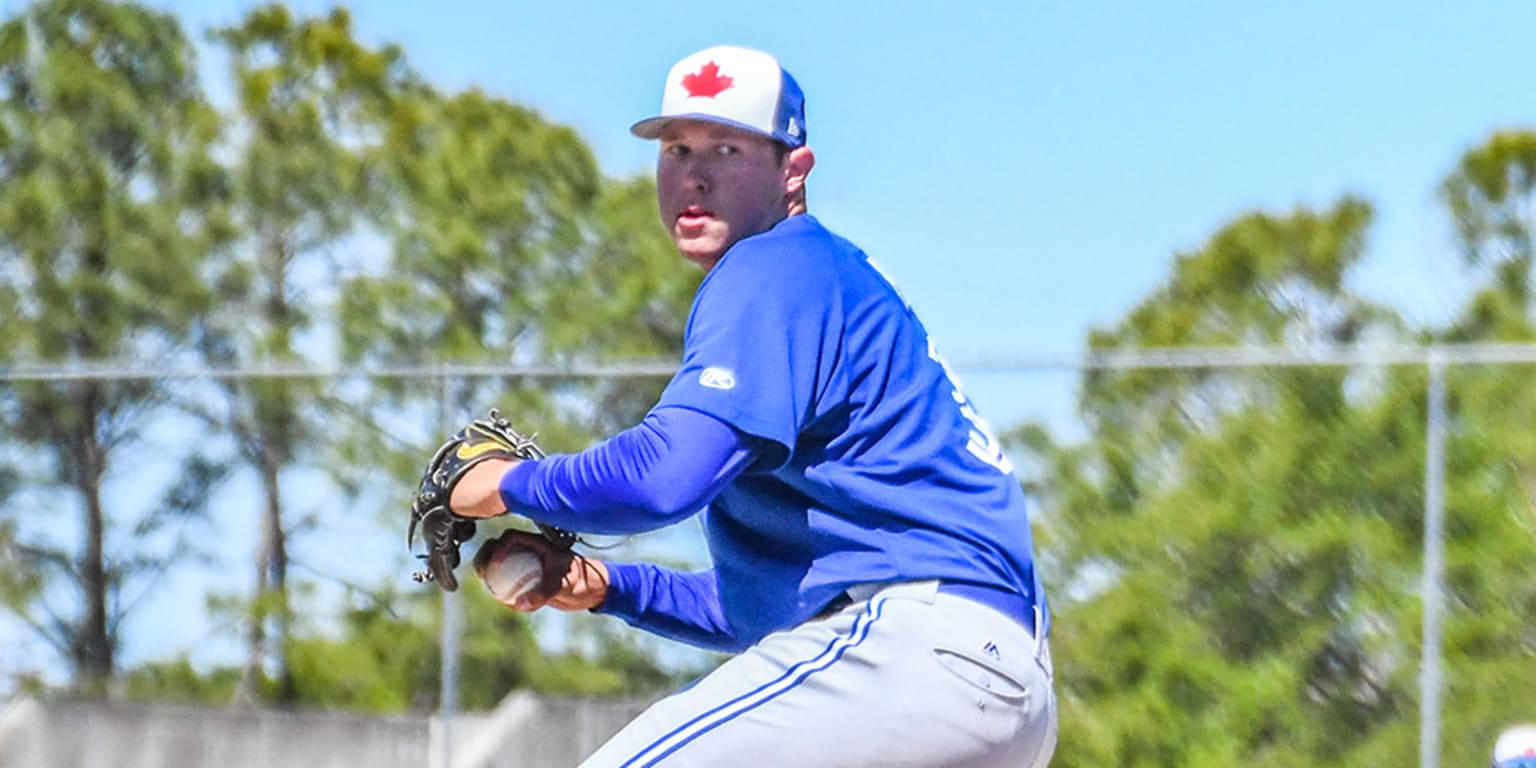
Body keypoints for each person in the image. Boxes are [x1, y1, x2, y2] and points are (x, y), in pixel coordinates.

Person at [448, 44, 1057, 767]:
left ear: (792, 171)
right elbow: (766, 608)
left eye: (728, 148)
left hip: (912, 655)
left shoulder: (774, 266)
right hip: (985, 684)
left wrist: (504, 483)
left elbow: (660, 478)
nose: (694, 173)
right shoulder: (824, 278)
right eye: (677, 147)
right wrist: (610, 587)